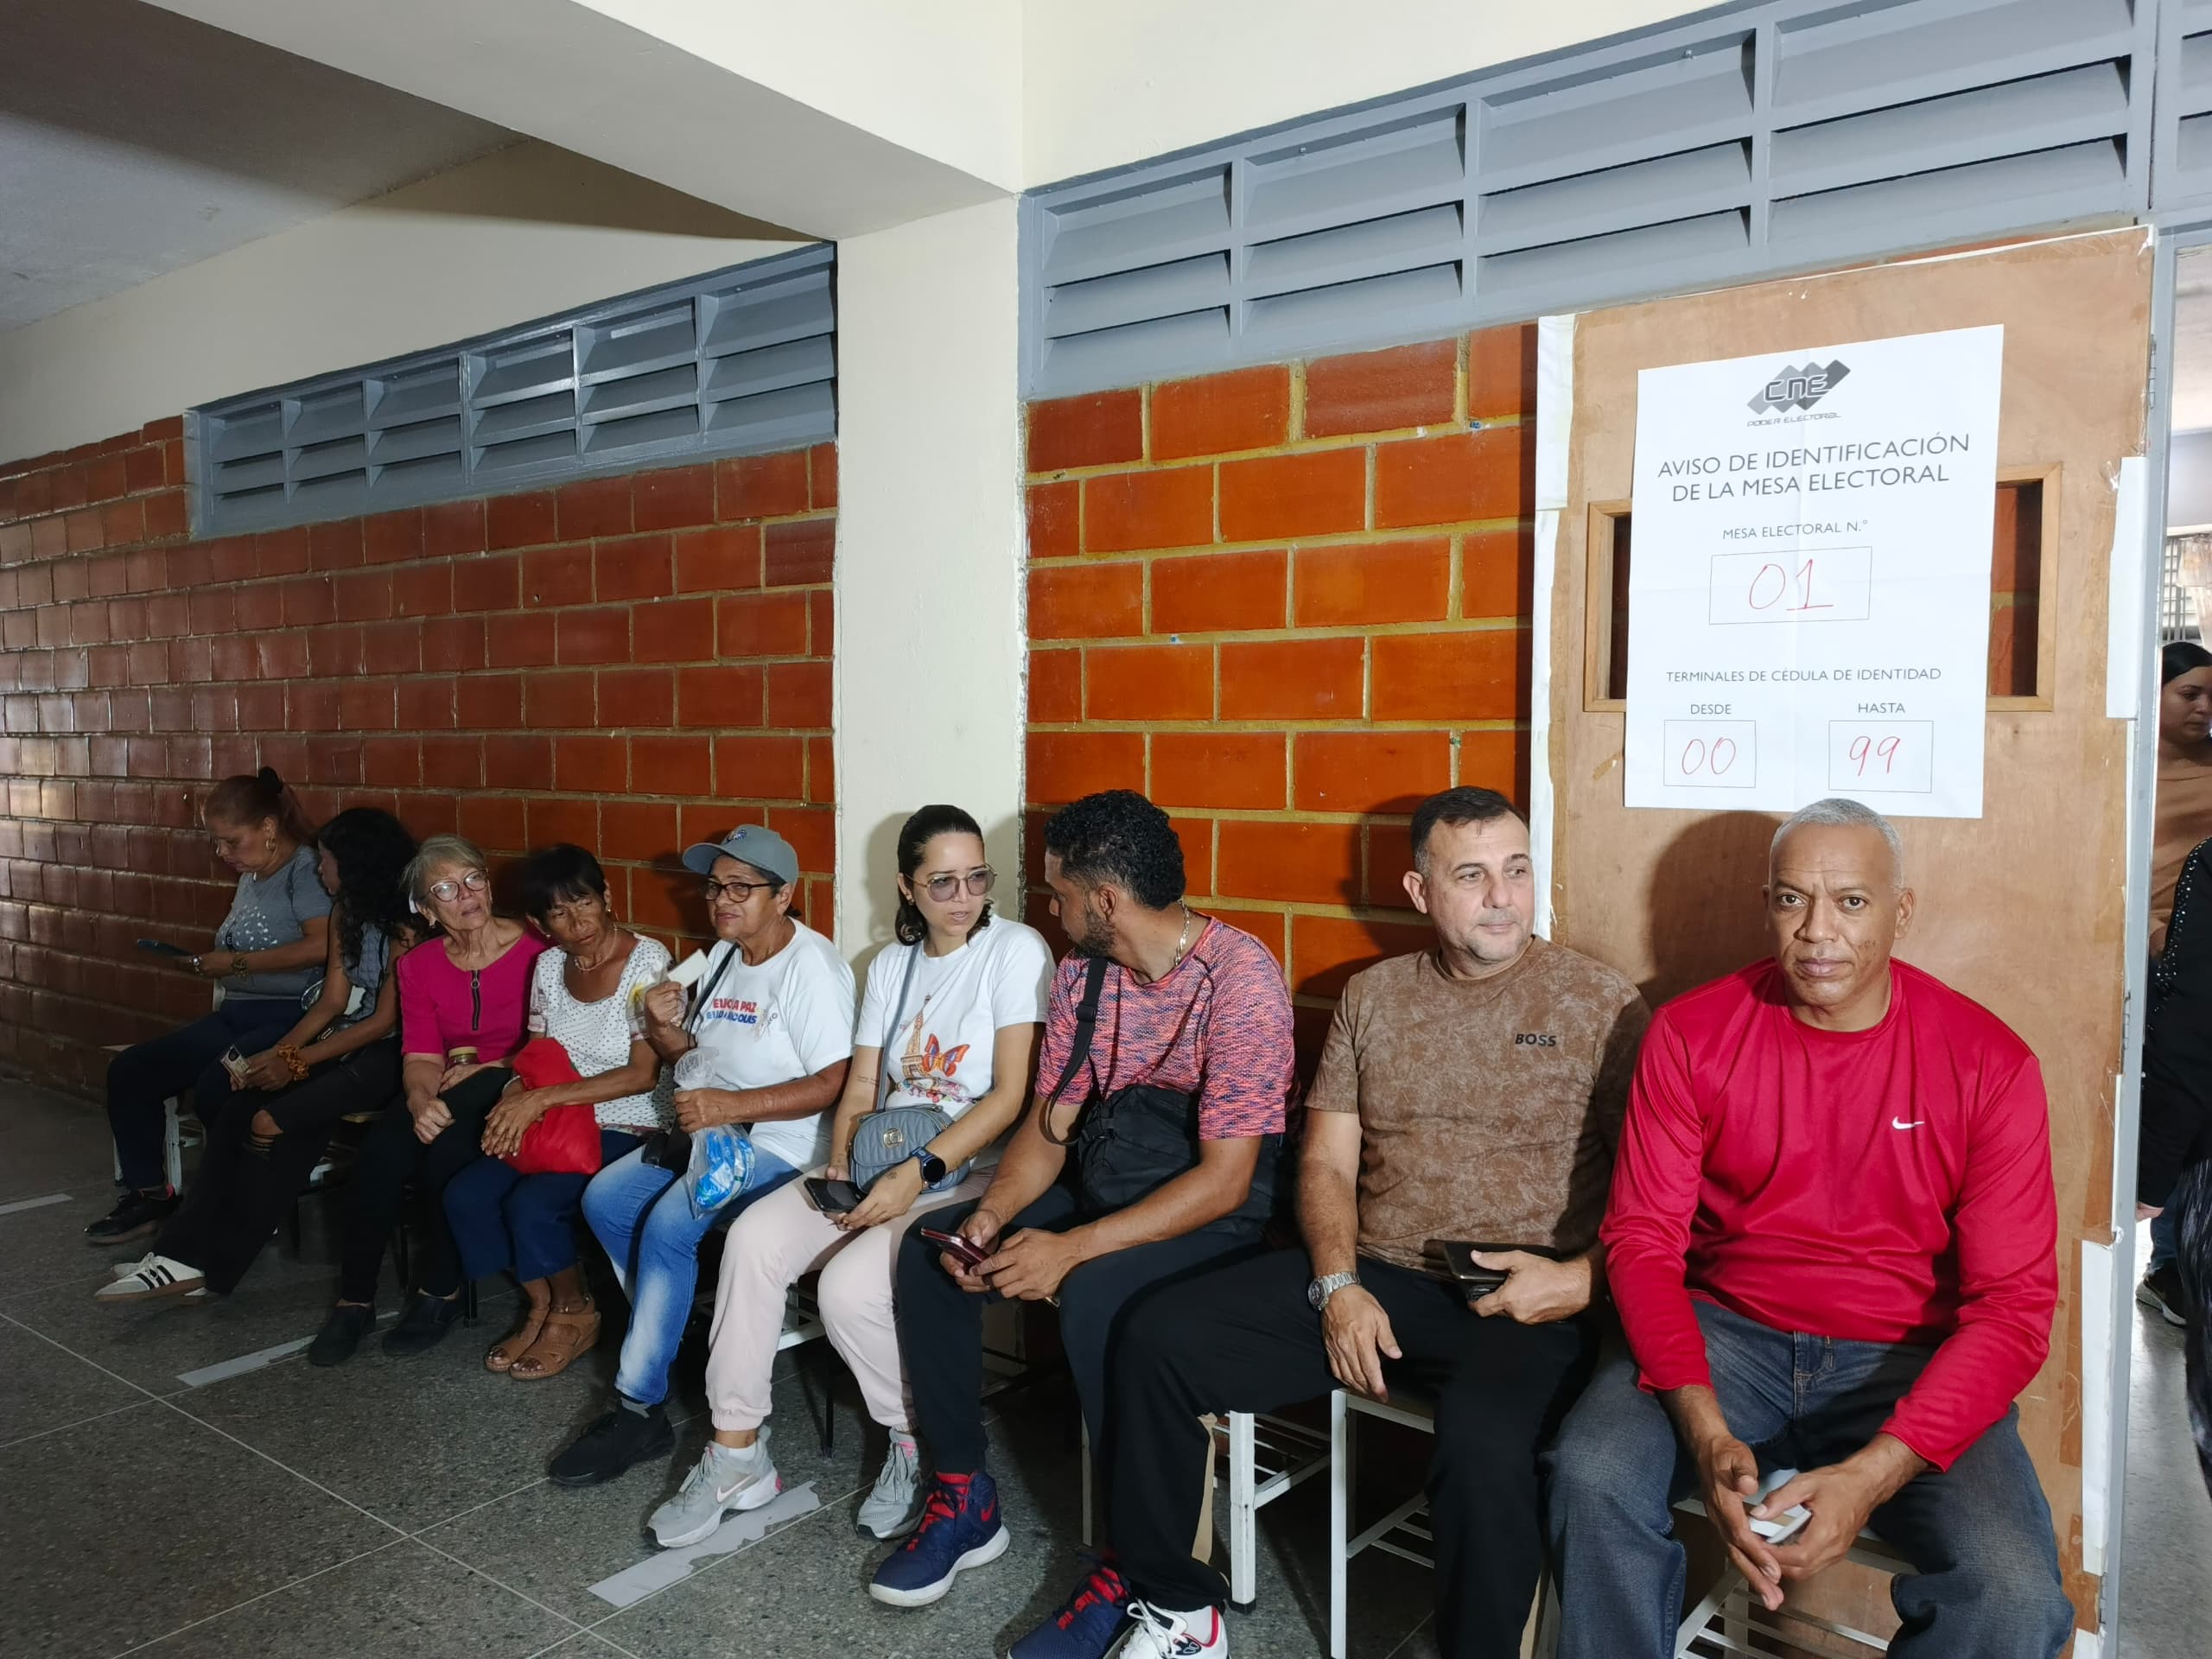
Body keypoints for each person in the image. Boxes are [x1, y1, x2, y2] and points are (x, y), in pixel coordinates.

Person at [1017, 787, 1650, 1659]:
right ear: (1420, 890)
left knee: (1483, 1450)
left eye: (1515, 870)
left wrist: (1579, 1279)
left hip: (1523, 1292)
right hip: (1376, 1274)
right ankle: (1180, 1608)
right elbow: (1325, 1165)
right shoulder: (1373, 996)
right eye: (1471, 875)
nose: (1502, 896)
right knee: (1155, 1338)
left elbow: (1660, 1192)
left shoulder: (1599, 1003)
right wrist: (1339, 1282)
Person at [1544, 798, 2072, 1659]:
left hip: (1908, 1354)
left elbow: (2012, 1311)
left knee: (2013, 1595)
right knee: (1591, 1476)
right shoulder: (1690, 1034)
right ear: (1768, 906)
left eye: (1851, 902)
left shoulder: (1987, 1061)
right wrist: (1704, 1428)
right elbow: (1643, 1242)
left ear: (1901, 911)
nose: (1818, 931)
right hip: (1727, 1335)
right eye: (1792, 899)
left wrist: (1871, 1476)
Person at [868, 790, 1294, 1616]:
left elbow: (1226, 1182)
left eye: (1058, 893)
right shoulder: (1083, 973)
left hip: (1216, 1212)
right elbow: (1049, 1125)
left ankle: (1135, 1562)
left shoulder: (1242, 981)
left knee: (1097, 1296)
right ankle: (963, 1496)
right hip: (1111, 1176)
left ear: (1104, 901)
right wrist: (992, 1216)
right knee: (936, 1249)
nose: (1049, 908)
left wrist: (1071, 1248)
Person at [631, 805, 1052, 1549]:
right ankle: (737, 1456)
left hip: (968, 1168)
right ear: (907, 887)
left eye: (976, 878)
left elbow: (1010, 1096)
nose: (963, 897)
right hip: (883, 1157)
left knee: (848, 1288)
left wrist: (915, 1174)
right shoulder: (891, 964)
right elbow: (861, 1085)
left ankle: (914, 1442)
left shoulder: (1014, 951)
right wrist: (842, 1162)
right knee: (753, 1239)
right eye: (942, 881)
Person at [545, 825, 853, 1497]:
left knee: (668, 1225)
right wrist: (662, 1029)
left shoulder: (811, 968)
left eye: (741, 888)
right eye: (715, 887)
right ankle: (667, 1333)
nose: (722, 901)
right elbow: (692, 1060)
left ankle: (638, 1408)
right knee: (606, 1199)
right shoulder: (719, 958)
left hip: (784, 1149)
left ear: (784, 895)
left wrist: (730, 1106)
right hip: (713, 1135)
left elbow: (836, 1082)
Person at [98, 809, 417, 1301]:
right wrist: (279, 1053)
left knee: (281, 1117)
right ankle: (183, 1255)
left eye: (327, 861)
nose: (319, 870)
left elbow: (385, 1022)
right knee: (238, 1109)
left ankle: (207, 1264)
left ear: (356, 865)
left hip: (400, 1052)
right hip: (349, 1039)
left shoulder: (407, 924)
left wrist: (296, 1062)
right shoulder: (346, 911)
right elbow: (332, 1002)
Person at [307, 834, 547, 1365]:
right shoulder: (418, 965)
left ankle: (440, 1288)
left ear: (489, 884)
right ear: (425, 910)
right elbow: (419, 1052)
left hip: (515, 1081)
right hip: (445, 1084)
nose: (466, 895)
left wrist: (488, 1068)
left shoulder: (538, 949)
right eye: (445, 889)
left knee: (447, 1151)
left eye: (473, 879)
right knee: (380, 1154)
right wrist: (418, 1100)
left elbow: (553, 1042)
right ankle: (354, 1300)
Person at [442, 844, 671, 1380]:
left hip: (630, 1121)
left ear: (607, 896)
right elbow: (536, 1052)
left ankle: (575, 1310)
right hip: (557, 1118)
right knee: (467, 1195)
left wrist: (539, 1100)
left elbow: (643, 1074)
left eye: (585, 902)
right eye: (559, 913)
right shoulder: (548, 965)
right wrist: (513, 1096)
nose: (577, 921)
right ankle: (542, 1303)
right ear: (539, 924)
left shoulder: (646, 962)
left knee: (534, 1202)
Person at [87, 767, 333, 1244]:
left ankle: (246, 1200)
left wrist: (236, 963)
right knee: (133, 1071)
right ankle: (151, 1196)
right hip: (237, 1014)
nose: (223, 853)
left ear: (268, 827)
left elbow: (321, 946)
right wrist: (211, 964)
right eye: (216, 843)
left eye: (231, 842)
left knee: (218, 1084)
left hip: (293, 1017)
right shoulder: (253, 873)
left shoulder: (305, 871)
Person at [2139, 639, 2212, 1325]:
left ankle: (2180, 1263)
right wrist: (2154, 934)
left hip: (2199, 959)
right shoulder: (2126, 769)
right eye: (2189, 693)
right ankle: (2165, 1265)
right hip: (2142, 954)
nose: (2204, 707)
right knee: (2165, 1105)